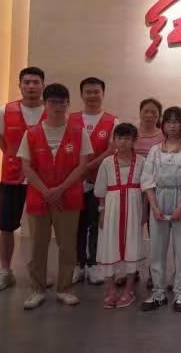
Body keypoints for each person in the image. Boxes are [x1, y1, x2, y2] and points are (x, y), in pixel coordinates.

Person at [18, 83, 93, 309]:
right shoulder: (31, 133)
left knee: (67, 245)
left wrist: (60, 189)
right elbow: (26, 167)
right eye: (53, 102)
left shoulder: (78, 132)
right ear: (45, 103)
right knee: (37, 245)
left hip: (68, 197)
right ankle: (37, 289)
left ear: (68, 104)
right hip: (38, 197)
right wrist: (46, 191)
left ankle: (64, 289)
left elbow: (83, 165)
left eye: (62, 102)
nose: (57, 106)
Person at [140, 107, 181, 313]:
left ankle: (180, 293)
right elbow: (147, 179)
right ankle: (158, 291)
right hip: (158, 198)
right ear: (163, 124)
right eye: (168, 122)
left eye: (176, 122)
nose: (172, 126)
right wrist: (154, 206)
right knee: (157, 248)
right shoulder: (155, 150)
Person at [0, 66, 46, 292]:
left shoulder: (51, 112)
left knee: (40, 229)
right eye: (27, 82)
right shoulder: (4, 111)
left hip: (41, 181)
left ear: (43, 85)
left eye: (35, 82)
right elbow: (3, 144)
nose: (31, 86)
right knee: (6, 227)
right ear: (20, 85)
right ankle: (5, 272)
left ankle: (38, 272)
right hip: (11, 179)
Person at [68, 77, 118, 286]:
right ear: (81, 94)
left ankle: (94, 263)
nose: (92, 96)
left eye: (96, 91)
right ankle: (78, 264)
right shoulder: (70, 119)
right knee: (75, 225)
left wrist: (87, 167)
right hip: (73, 183)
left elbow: (112, 150)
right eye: (88, 92)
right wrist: (79, 171)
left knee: (96, 224)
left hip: (99, 183)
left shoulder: (112, 121)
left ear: (103, 94)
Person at [95, 123, 145, 309]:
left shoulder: (141, 162)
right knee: (109, 245)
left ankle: (129, 290)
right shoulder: (107, 162)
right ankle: (111, 290)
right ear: (114, 140)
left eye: (127, 138)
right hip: (112, 209)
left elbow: (146, 189)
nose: (123, 142)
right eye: (119, 138)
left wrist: (144, 212)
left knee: (132, 245)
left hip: (134, 209)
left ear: (134, 141)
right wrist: (102, 212)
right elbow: (101, 190)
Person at [135, 98, 163, 289]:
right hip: (133, 190)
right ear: (140, 112)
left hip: (156, 191)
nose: (149, 115)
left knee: (156, 234)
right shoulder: (132, 134)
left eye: (154, 112)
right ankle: (131, 270)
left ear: (159, 116)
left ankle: (155, 273)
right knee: (132, 232)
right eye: (146, 111)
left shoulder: (163, 136)